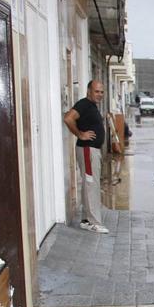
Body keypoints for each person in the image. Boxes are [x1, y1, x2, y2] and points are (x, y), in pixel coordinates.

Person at [63, 80, 109, 234]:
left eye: (102, 92)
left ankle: (86, 219)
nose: (100, 95)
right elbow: (68, 118)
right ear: (89, 91)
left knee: (89, 184)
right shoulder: (83, 104)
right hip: (88, 150)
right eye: (97, 91)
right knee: (92, 185)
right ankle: (94, 222)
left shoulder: (91, 106)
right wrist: (80, 134)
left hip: (91, 150)